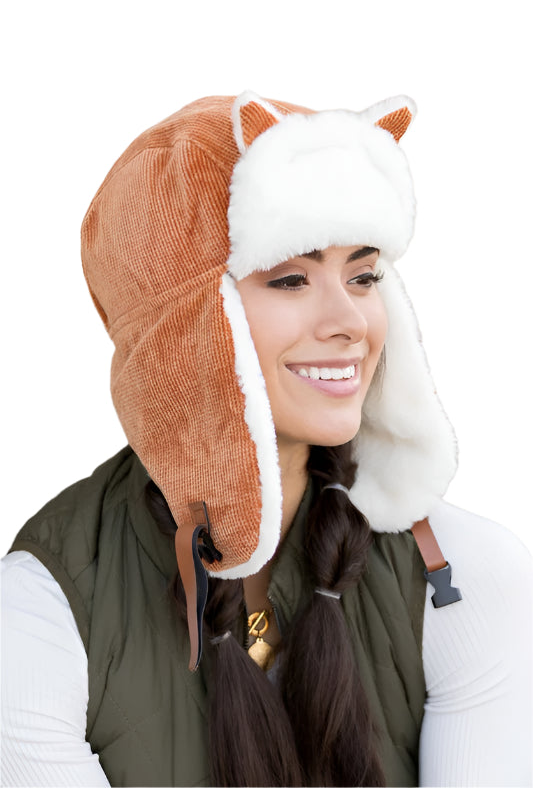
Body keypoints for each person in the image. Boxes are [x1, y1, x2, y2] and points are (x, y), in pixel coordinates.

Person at [1, 91, 531, 788]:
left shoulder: (460, 574)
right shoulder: (41, 611)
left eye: (363, 275)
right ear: (182, 325)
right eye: (290, 279)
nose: (350, 321)